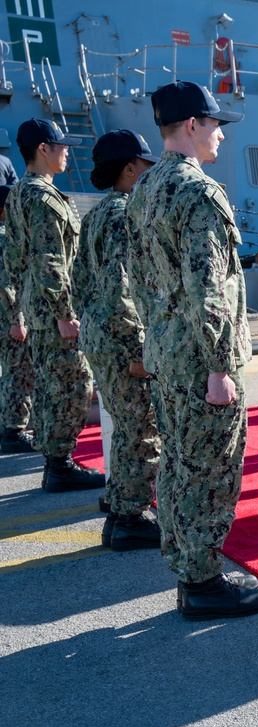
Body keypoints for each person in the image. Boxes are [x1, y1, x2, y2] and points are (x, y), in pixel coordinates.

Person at [125, 81, 258, 619]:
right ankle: (204, 581)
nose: (220, 136)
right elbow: (209, 286)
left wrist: (157, 340)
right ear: (191, 125)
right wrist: (218, 367)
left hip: (167, 352)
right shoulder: (198, 192)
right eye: (214, 125)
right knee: (210, 470)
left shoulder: (142, 191)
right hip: (199, 360)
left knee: (180, 465)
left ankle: (189, 572)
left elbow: (139, 279)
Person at [3, 119, 104, 492]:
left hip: (34, 306)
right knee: (73, 387)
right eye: (61, 146)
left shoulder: (17, 194)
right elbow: (51, 261)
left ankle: (54, 460)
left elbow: (15, 259)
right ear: (42, 149)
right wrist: (65, 313)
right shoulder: (44, 199)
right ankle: (60, 464)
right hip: (53, 310)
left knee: (49, 386)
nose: (66, 152)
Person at [73, 130, 162, 551]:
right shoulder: (124, 215)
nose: (149, 173)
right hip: (119, 338)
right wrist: (135, 351)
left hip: (98, 333)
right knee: (139, 428)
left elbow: (80, 283)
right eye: (145, 166)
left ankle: (119, 509)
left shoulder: (94, 215)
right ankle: (131, 517)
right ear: (130, 169)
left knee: (125, 425)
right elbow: (119, 287)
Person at [0, 183, 36, 454]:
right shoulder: (4, 237)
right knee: (18, 373)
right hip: (8, 318)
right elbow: (7, 283)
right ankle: (14, 428)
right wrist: (17, 320)